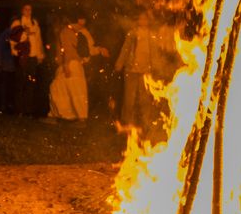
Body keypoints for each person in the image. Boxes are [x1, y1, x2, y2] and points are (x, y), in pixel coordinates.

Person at [113, 9, 181, 142]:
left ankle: (146, 124)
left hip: (146, 72)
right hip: (131, 70)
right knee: (129, 99)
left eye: (145, 19)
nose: (143, 21)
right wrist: (119, 63)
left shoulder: (151, 35)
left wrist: (158, 68)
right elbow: (126, 49)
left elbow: (155, 53)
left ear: (148, 21)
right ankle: (126, 125)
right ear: (138, 20)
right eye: (141, 19)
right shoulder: (132, 34)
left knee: (145, 100)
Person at [48, 12, 109, 122]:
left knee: (59, 89)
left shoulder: (65, 32)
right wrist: (99, 50)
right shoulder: (80, 32)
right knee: (72, 91)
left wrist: (66, 65)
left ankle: (62, 116)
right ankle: (71, 116)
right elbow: (89, 49)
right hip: (77, 64)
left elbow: (68, 50)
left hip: (69, 63)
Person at [9, 3, 45, 115]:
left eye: (30, 9)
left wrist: (39, 55)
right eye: (26, 9)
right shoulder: (17, 23)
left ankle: (28, 109)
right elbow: (13, 40)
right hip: (21, 56)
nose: (28, 11)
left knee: (30, 83)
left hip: (32, 56)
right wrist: (25, 34)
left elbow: (38, 40)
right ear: (22, 10)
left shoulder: (34, 23)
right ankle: (18, 110)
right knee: (20, 82)